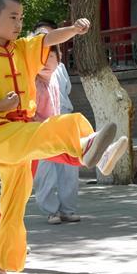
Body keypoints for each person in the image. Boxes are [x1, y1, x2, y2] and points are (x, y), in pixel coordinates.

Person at [0, 0, 129, 274]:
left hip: (21, 133)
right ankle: (91, 150)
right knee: (59, 127)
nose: (18, 24)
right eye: (13, 18)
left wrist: (74, 30)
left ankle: (0, 268)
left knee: (14, 202)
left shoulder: (24, 49)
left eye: (21, 18)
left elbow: (49, 39)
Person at [31, 21, 81, 224]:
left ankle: (68, 209)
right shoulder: (31, 68)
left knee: (69, 167)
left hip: (63, 119)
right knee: (46, 169)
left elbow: (66, 90)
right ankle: (51, 210)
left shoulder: (59, 67)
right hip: (40, 125)